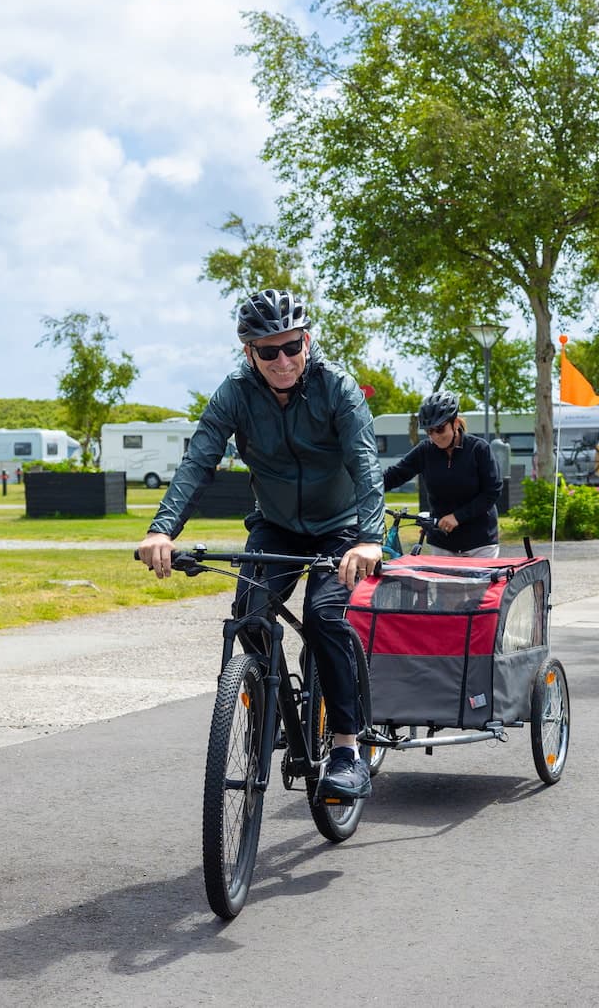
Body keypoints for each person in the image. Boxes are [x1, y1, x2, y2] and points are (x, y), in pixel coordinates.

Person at [137, 288, 384, 801]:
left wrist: (368, 539)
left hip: (339, 528)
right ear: (248, 352)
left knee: (323, 616)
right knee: (249, 612)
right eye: (267, 351)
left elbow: (365, 464)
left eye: (290, 346)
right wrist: (163, 529)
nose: (282, 361)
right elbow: (199, 460)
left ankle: (345, 746)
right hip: (275, 524)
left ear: (306, 341)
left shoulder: (337, 387)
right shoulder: (234, 392)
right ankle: (271, 699)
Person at [382, 390, 502, 556]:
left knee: (480, 583)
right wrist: (364, 490)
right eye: (429, 431)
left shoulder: (479, 449)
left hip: (480, 543)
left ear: (455, 423)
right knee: (443, 583)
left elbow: (492, 492)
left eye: (439, 429)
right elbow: (394, 475)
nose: (435, 437)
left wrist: (457, 517)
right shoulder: (425, 451)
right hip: (442, 542)